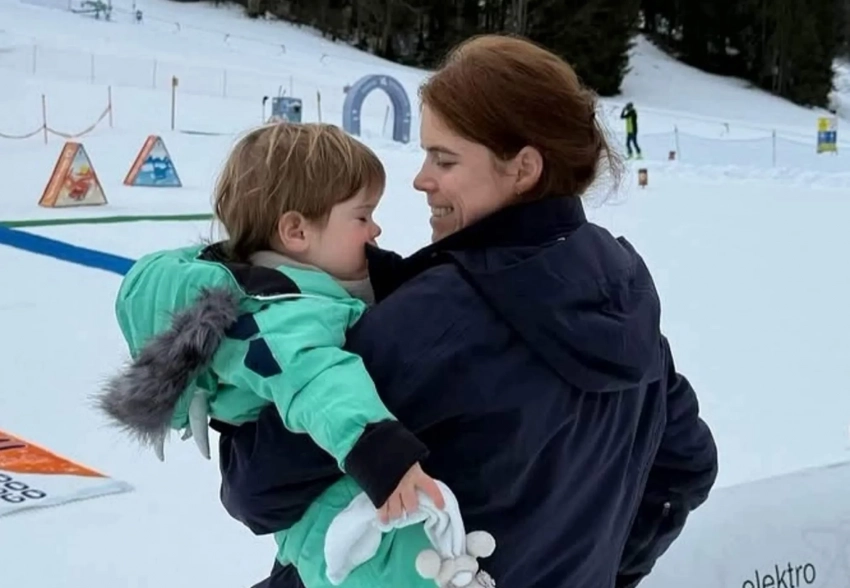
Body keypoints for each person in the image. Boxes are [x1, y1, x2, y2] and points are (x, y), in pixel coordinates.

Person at [220, 34, 718, 588]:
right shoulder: (620, 287)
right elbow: (685, 465)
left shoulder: (443, 316)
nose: (421, 178)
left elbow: (256, 488)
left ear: (523, 168)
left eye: (445, 158)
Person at [95, 122, 455, 588]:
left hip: (316, 494)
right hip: (331, 504)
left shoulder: (288, 287)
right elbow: (316, 378)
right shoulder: (282, 312)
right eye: (362, 217)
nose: (377, 229)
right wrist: (380, 451)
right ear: (296, 230)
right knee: (392, 569)